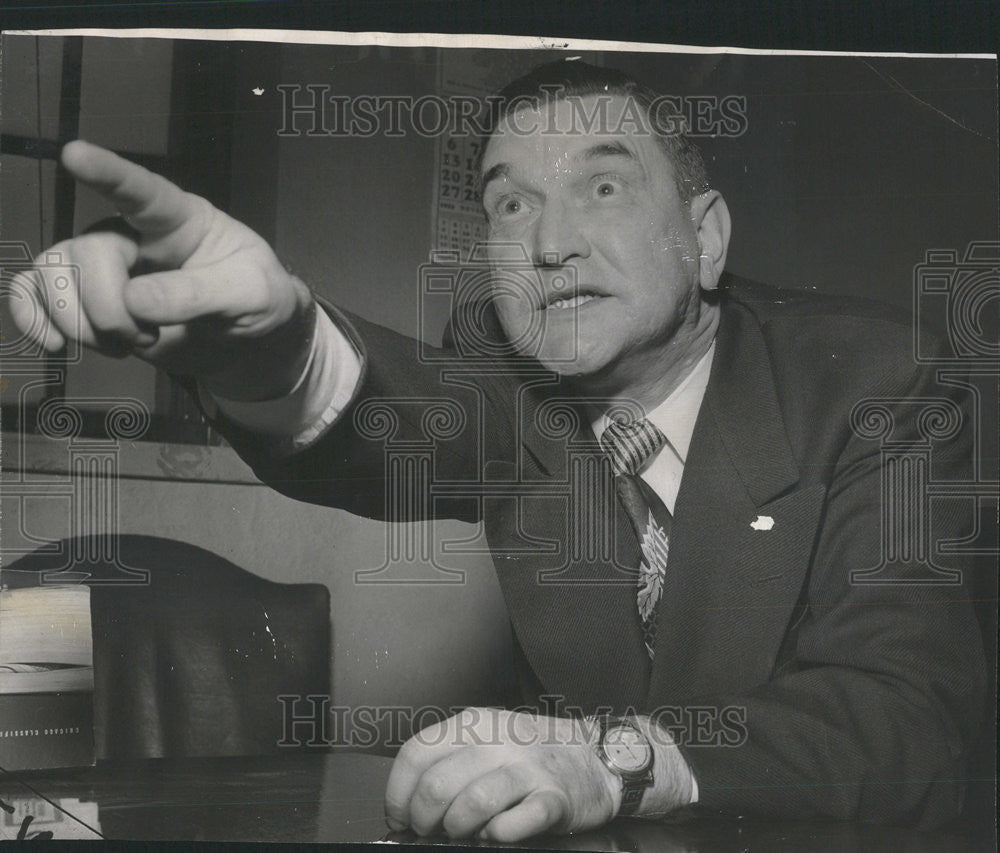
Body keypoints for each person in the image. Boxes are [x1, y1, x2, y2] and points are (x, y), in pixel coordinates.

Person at [10, 60, 986, 842]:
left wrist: (613, 759)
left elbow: (908, 721)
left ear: (705, 237)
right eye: (510, 205)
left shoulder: (878, 378)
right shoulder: (512, 378)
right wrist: (273, 347)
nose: (548, 242)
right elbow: (388, 407)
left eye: (600, 185)